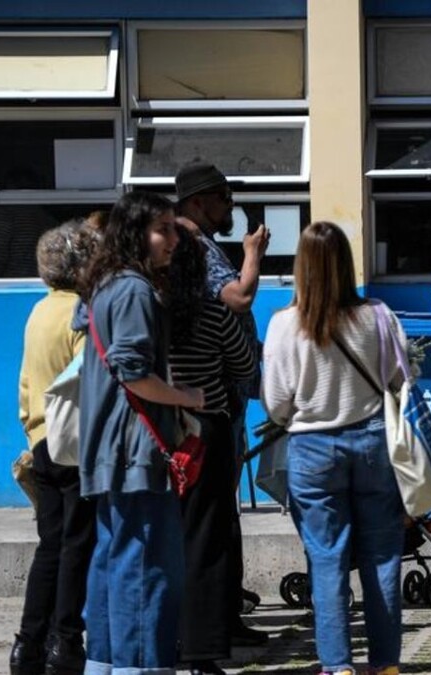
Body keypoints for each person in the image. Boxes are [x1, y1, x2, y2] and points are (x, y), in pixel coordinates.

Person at [262, 221, 408, 675]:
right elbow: (400, 381)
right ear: (346, 264)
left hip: (310, 448)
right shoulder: (379, 316)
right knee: (382, 558)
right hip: (372, 443)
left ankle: (338, 666)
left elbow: (276, 404)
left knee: (326, 561)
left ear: (301, 267)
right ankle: (385, 665)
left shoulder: (285, 325)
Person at [77, 191, 205, 674]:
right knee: (148, 571)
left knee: (112, 565)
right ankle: (141, 666)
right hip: (136, 449)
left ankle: (107, 664)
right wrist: (188, 399)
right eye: (164, 229)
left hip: (113, 449)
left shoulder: (104, 286)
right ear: (136, 234)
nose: (174, 239)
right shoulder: (132, 290)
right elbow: (133, 372)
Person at [175, 162, 269, 645]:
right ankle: (215, 621)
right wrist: (253, 254)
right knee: (212, 516)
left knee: (216, 514)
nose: (230, 207)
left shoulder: (196, 244)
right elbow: (238, 298)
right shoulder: (194, 245)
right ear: (198, 201)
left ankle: (222, 613)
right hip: (213, 402)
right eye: (223, 199)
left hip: (220, 398)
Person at [166, 224, 258, 675]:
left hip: (162, 433)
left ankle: (162, 638)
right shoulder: (212, 312)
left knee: (166, 540)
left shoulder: (152, 312)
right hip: (208, 432)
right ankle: (201, 651)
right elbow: (243, 364)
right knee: (207, 540)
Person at [10, 220, 99, 675]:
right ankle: (66, 644)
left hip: (43, 441)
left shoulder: (39, 312)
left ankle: (27, 643)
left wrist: (32, 430)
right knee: (77, 545)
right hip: (76, 443)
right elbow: (88, 379)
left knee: (50, 545)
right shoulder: (81, 314)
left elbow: (27, 384)